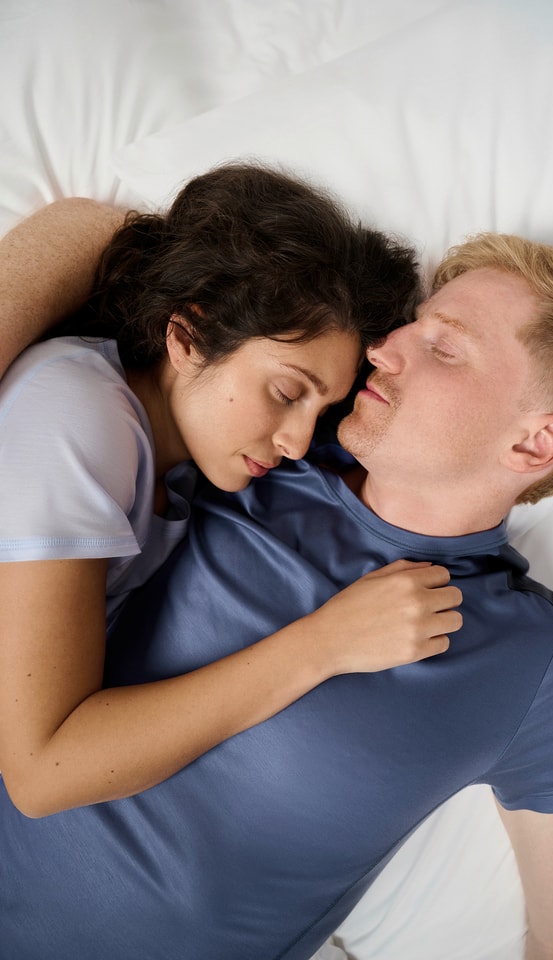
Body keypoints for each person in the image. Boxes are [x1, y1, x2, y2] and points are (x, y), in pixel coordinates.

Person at [1, 231, 553, 960]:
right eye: (412, 324)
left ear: (533, 446)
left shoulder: (537, 661)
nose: (385, 348)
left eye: (446, 347)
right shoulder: (257, 451)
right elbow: (93, 230)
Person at [0, 163, 463, 818]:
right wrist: (322, 645)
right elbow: (41, 771)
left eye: (320, 409)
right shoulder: (80, 415)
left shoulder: (173, 466)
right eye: (286, 393)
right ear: (186, 337)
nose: (298, 441)